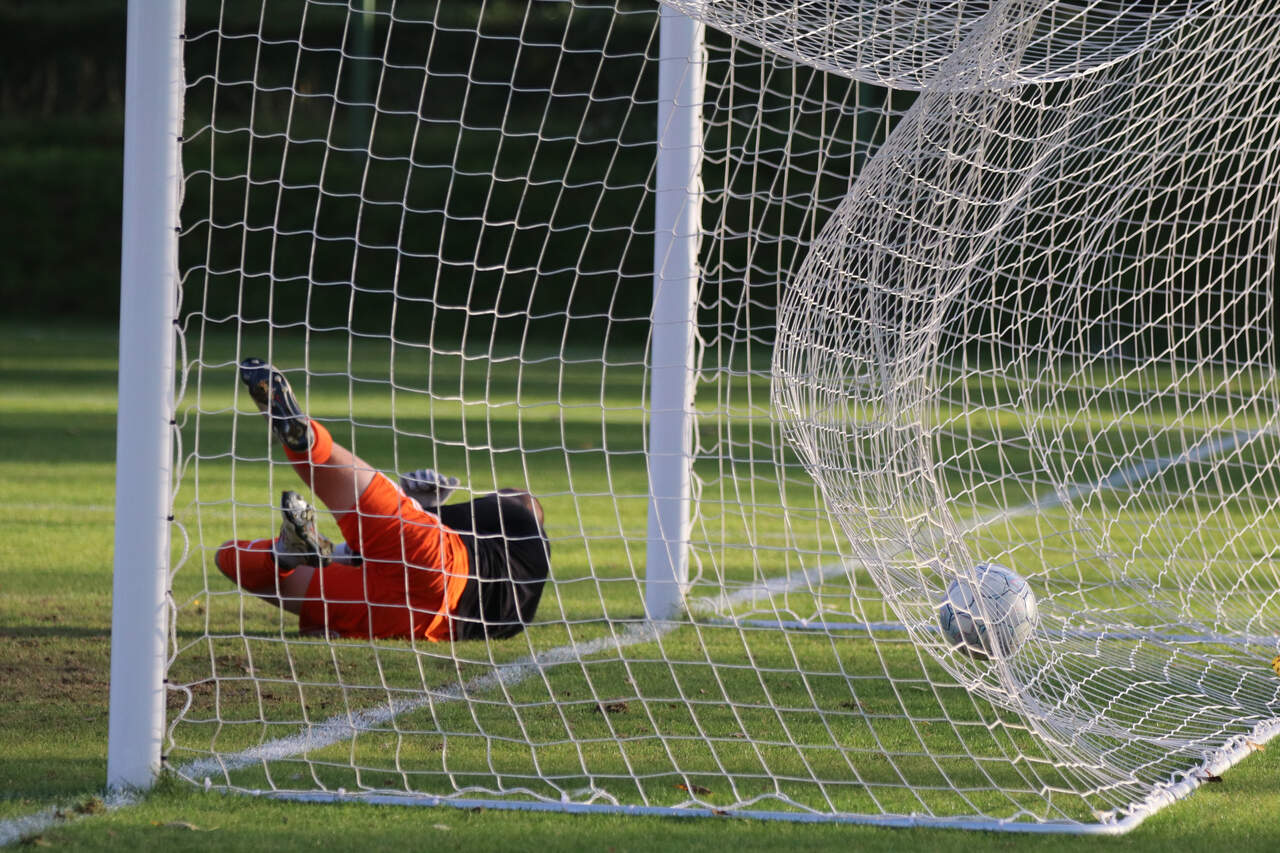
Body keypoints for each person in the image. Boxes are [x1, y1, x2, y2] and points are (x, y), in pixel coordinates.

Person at [214, 358, 550, 641]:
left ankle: (302, 438)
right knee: (230, 558)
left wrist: (422, 505)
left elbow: (419, 539)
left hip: (439, 564)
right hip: (410, 621)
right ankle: (286, 555)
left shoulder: (520, 521)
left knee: (322, 464)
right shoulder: (521, 610)